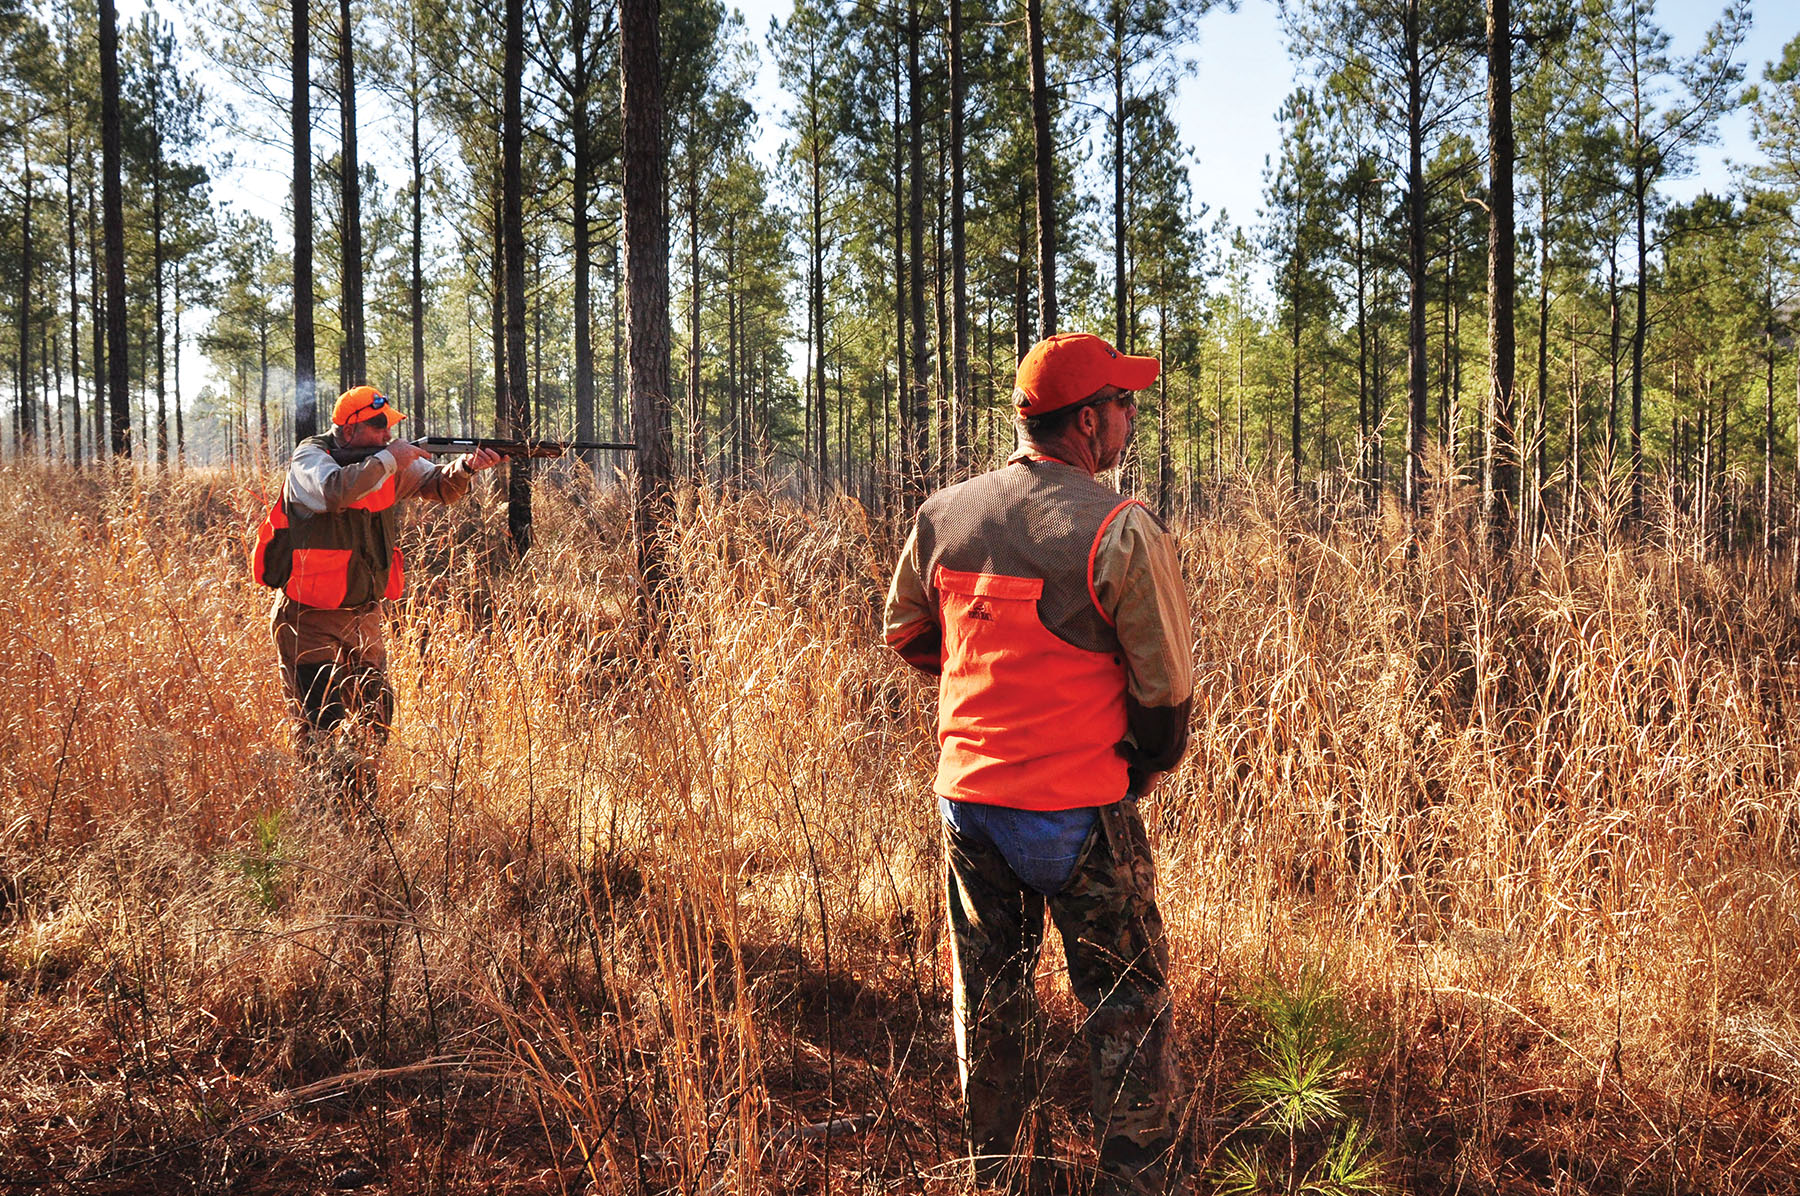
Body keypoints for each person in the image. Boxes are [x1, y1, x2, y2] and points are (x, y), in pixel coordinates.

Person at [883, 333, 1194, 1195]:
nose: (1133, 416)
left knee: (990, 1006)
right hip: (1081, 812)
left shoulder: (947, 513)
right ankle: (1134, 1183)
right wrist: (1140, 766)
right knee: (1125, 1010)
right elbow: (1166, 700)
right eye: (1125, 404)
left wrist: (995, 695)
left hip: (971, 807)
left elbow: (905, 634)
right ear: (1087, 422)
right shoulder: (1118, 527)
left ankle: (997, 1175)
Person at [269, 385, 503, 808]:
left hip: (364, 618)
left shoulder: (384, 463)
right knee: (322, 724)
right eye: (377, 426)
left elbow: (437, 485)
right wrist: (390, 458)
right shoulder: (310, 459)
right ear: (350, 428)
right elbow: (334, 491)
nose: (386, 432)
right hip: (310, 620)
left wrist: (467, 467)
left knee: (375, 717)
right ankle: (321, 818)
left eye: (389, 426)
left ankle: (362, 810)